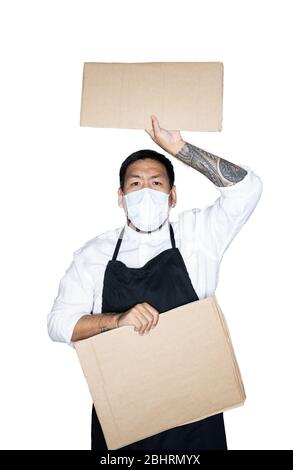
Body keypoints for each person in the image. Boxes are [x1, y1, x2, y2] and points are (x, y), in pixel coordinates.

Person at [48, 115, 263, 450]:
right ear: (120, 196)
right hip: (123, 418)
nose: (145, 191)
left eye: (156, 183)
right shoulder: (93, 255)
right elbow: (59, 324)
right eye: (135, 184)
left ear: (173, 195)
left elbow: (248, 188)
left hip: (197, 416)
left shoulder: (198, 235)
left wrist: (179, 147)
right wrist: (116, 321)